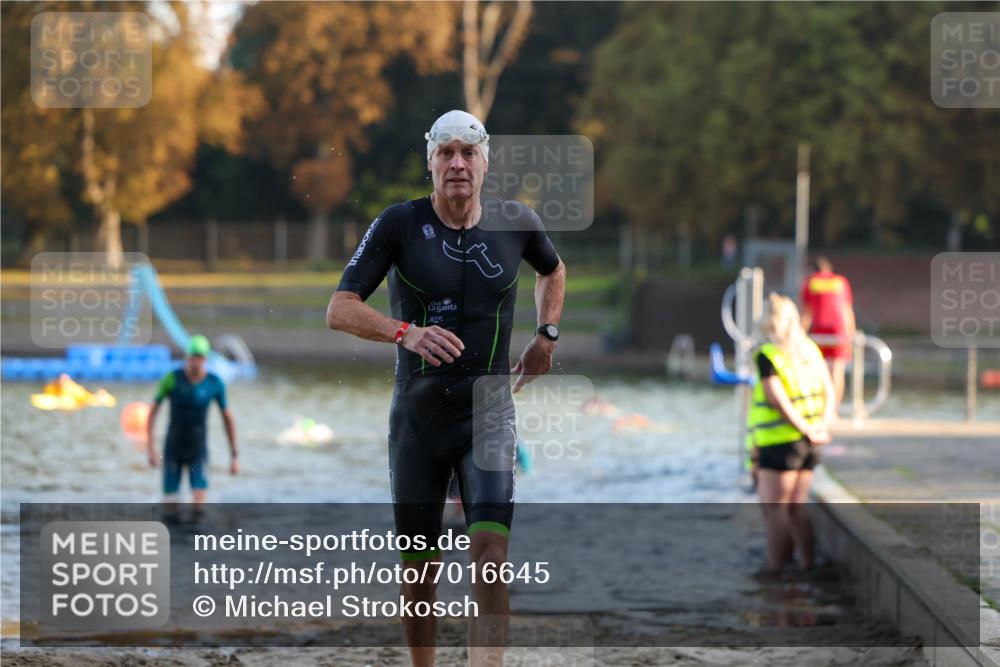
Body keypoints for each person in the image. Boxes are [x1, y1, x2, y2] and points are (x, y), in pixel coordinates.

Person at [326, 109, 566, 667]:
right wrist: (403, 333)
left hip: (489, 413)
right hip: (417, 421)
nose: (457, 163)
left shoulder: (516, 223)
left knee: (489, 552)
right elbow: (339, 308)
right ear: (430, 161)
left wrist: (546, 337)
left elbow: (552, 272)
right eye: (445, 153)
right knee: (419, 572)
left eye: (468, 152)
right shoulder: (399, 225)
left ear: (486, 162)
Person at [747, 294, 836, 574]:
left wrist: (805, 429)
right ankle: (808, 566)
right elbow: (829, 391)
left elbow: (777, 399)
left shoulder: (768, 355)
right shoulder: (810, 349)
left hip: (779, 443)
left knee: (776, 510)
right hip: (810, 443)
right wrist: (819, 427)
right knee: (797, 508)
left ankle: (775, 571)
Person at [146, 335, 238, 506]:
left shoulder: (214, 383)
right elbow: (153, 411)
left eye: (200, 357)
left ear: (205, 358)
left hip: (198, 449)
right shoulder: (172, 379)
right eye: (193, 356)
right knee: (170, 506)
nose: (196, 361)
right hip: (173, 447)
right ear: (187, 357)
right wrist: (150, 448)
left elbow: (228, 418)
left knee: (199, 506)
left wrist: (234, 455)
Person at [800, 257, 856, 409]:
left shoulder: (811, 282)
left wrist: (799, 335)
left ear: (814, 270)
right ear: (829, 269)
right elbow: (847, 310)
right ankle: (834, 409)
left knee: (820, 370)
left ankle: (821, 407)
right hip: (839, 330)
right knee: (837, 370)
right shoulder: (840, 281)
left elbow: (807, 313)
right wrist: (851, 333)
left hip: (819, 330)